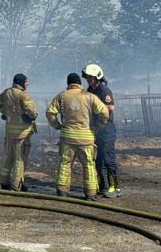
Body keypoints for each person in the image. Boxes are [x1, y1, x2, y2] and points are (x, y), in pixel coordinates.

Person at [46, 73, 109, 201]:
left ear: (68, 83)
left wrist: (57, 126)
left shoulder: (61, 96)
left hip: (67, 137)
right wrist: (97, 126)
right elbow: (104, 112)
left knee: (65, 163)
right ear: (80, 83)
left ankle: (62, 191)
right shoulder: (89, 96)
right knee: (89, 165)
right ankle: (91, 194)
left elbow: (50, 112)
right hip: (86, 138)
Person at [82, 63, 122, 197]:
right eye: (87, 77)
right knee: (97, 160)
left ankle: (114, 187)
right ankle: (101, 184)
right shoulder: (90, 90)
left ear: (97, 77)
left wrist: (99, 119)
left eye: (91, 77)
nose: (89, 79)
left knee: (108, 158)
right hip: (96, 130)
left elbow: (110, 110)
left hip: (107, 130)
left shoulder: (104, 91)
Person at [0, 73, 37, 191]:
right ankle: (17, 184)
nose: (27, 85)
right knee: (19, 159)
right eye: (26, 82)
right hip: (22, 133)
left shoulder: (6, 92)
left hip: (9, 132)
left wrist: (6, 113)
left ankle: (4, 181)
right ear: (21, 83)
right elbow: (32, 112)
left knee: (8, 156)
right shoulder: (24, 95)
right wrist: (31, 117)